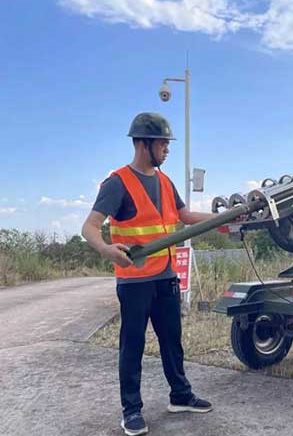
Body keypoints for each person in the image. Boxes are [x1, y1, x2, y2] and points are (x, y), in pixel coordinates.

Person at [82, 112, 215, 436]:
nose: (168, 149)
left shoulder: (165, 181)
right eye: (163, 144)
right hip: (135, 281)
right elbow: (89, 227)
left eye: (168, 144)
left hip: (166, 275)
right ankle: (131, 410)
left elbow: (183, 215)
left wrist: (219, 219)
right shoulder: (118, 183)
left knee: (172, 339)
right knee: (133, 343)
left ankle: (180, 395)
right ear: (144, 143)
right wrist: (107, 250)